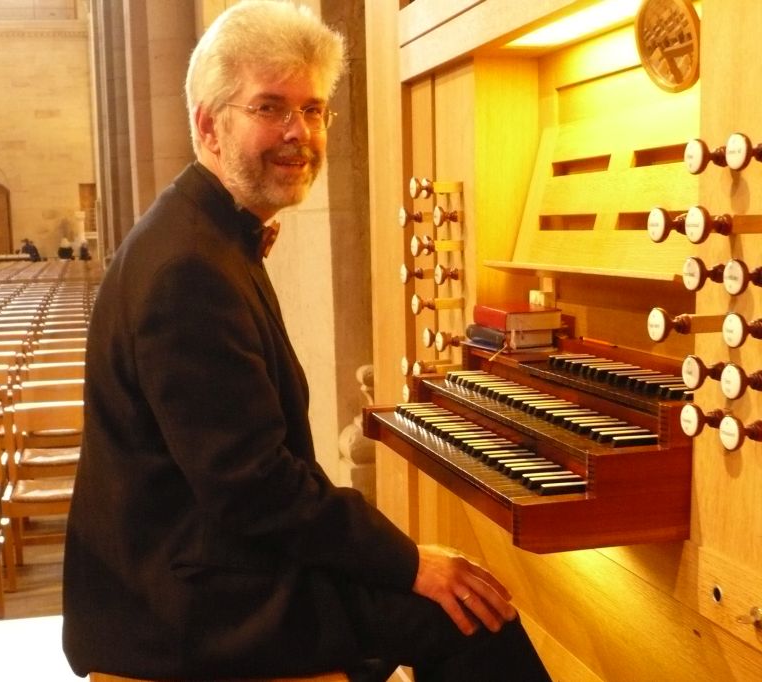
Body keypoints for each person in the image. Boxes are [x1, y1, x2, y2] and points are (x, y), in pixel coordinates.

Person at [61, 2, 551, 681]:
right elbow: (256, 489)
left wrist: (396, 563)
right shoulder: (187, 270)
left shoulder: (204, 235)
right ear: (209, 123)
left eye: (314, 109)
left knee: (433, 594)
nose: (300, 132)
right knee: (470, 614)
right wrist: (411, 564)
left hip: (189, 570)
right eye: (271, 108)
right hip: (186, 607)